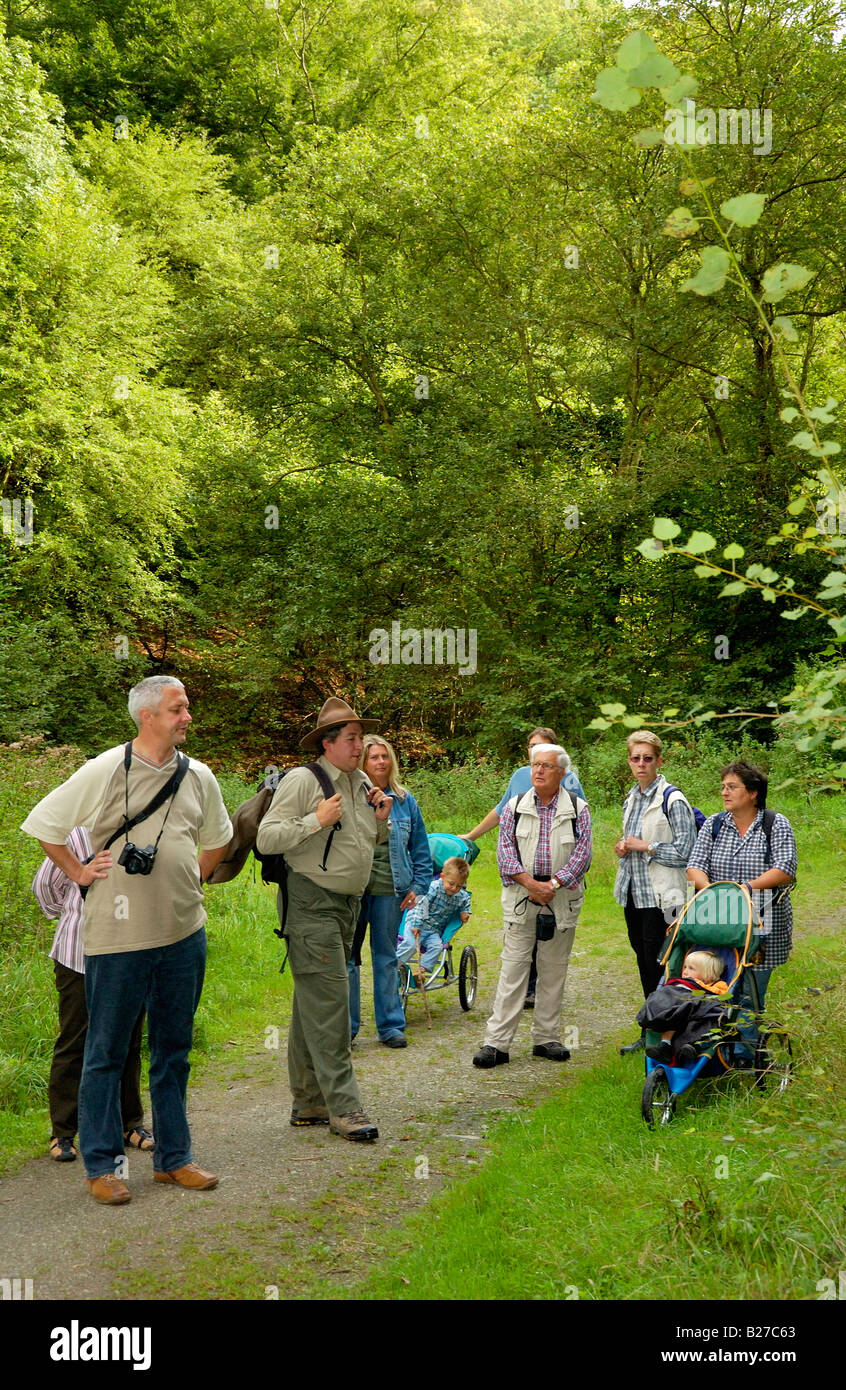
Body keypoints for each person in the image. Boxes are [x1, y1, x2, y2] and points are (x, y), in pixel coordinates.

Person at [20, 677, 232, 1205]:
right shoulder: (105, 768)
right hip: (117, 939)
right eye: (177, 709)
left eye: (186, 707)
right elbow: (44, 823)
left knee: (173, 1051)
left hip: (183, 936)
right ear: (147, 716)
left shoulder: (199, 775)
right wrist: (79, 871)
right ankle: (103, 1166)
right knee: (106, 1052)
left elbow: (219, 842)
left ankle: (174, 1158)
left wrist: (189, 887)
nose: (187, 716)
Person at [256, 697, 392, 1142]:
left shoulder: (357, 782)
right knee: (332, 1005)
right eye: (352, 739)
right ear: (328, 743)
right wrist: (314, 819)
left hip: (347, 906)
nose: (361, 746)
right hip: (311, 905)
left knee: (312, 1003)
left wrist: (381, 820)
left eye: (361, 738)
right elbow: (268, 837)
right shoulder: (302, 780)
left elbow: (363, 842)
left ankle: (310, 1101)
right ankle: (345, 1109)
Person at [33, 826, 153, 1163]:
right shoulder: (77, 833)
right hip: (78, 953)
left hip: (131, 949)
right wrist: (72, 911)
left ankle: (130, 1123)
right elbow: (45, 886)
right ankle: (64, 1132)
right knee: (76, 1040)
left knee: (128, 1039)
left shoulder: (146, 827)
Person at [473, 744, 591, 1068]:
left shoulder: (579, 809)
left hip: (560, 898)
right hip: (522, 897)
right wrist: (531, 884)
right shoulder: (514, 806)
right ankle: (496, 1044)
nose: (537, 771)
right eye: (535, 765)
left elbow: (583, 856)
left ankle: (547, 1038)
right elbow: (505, 854)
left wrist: (552, 885)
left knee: (553, 969)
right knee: (513, 969)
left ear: (562, 773)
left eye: (546, 766)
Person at [459, 727, 586, 1009]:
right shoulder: (520, 776)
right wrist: (471, 835)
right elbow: (501, 811)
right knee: (520, 939)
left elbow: (579, 827)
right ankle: (523, 992)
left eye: (540, 747)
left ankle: (542, 997)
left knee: (548, 936)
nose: (534, 753)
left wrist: (556, 882)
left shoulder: (570, 779)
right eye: (531, 747)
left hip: (557, 880)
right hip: (521, 877)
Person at [686, 760, 796, 1062]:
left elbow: (784, 869)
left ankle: (747, 1057)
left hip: (762, 923)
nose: (724, 792)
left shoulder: (775, 823)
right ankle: (715, 1053)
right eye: (723, 786)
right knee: (716, 985)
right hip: (719, 922)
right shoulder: (714, 824)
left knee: (751, 994)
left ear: (753, 793)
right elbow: (694, 866)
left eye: (732, 786)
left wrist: (744, 890)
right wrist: (710, 891)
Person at [614, 730, 697, 1055]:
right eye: (635, 758)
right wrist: (624, 848)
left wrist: (646, 846)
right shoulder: (632, 798)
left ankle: (667, 1033)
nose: (641, 764)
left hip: (662, 898)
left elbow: (688, 851)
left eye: (648, 758)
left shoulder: (672, 799)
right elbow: (634, 843)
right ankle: (652, 1030)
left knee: (661, 964)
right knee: (643, 962)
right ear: (629, 762)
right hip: (633, 894)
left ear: (659, 761)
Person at [347, 735, 432, 1049]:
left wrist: (419, 886)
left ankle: (391, 1027)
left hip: (389, 889)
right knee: (349, 959)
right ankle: (347, 1029)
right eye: (373, 757)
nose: (380, 762)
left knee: (385, 958)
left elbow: (420, 847)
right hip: (352, 890)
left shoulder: (405, 799)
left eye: (384, 756)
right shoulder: (350, 797)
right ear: (362, 762)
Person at [637, 949, 730, 1065]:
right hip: (676, 1015)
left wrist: (699, 987)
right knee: (666, 1000)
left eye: (691, 968)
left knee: (711, 1018)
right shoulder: (680, 983)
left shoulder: (717, 985)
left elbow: (722, 995)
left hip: (695, 1016)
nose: (685, 972)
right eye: (685, 967)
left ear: (708, 973)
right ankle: (665, 1045)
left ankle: (693, 1047)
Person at [396, 856, 471, 981]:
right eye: (451, 883)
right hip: (416, 922)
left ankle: (421, 971)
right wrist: (416, 925)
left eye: (459, 886)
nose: (454, 888)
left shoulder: (460, 895)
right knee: (410, 944)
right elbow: (420, 906)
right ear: (442, 877)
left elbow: (465, 901)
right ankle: (393, 966)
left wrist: (465, 911)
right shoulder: (434, 888)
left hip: (434, 931)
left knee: (437, 947)